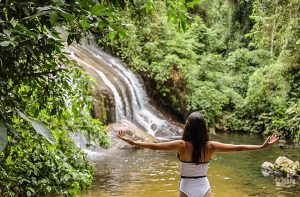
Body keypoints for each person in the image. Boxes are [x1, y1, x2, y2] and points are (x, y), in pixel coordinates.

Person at [117, 111, 279, 197]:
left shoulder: (181, 145)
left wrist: (132, 141)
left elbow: (155, 147)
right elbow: (237, 148)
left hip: (186, 187)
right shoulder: (211, 146)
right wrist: (261, 147)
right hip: (204, 187)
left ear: (187, 127)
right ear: (204, 128)